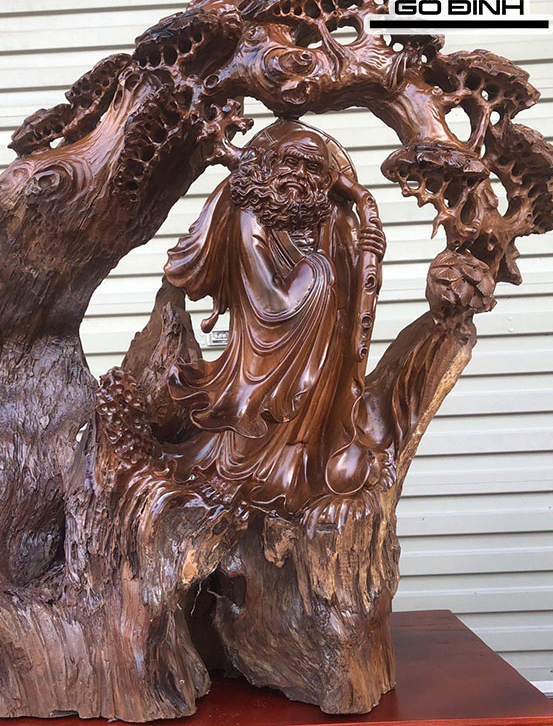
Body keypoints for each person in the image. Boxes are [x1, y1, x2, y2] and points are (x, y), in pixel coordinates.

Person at [165, 118, 387, 518]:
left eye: (312, 168)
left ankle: (293, 468)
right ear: (270, 165)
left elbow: (358, 284)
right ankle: (237, 471)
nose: (299, 174)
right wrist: (318, 274)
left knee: (305, 418)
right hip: (263, 338)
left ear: (325, 179)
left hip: (320, 353)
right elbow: (266, 296)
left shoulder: (332, 219)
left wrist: (365, 233)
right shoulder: (252, 212)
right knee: (254, 409)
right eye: (290, 162)